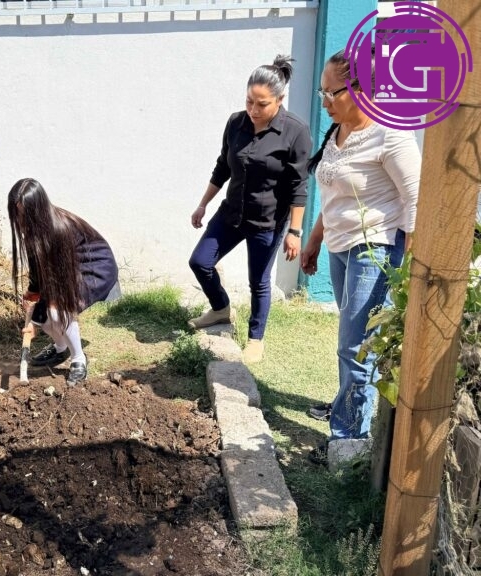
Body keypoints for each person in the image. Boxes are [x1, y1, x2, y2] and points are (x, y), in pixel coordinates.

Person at [300, 50, 421, 462]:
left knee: (356, 345)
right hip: (339, 247)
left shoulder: (391, 135)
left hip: (374, 250)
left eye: (329, 93)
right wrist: (315, 239)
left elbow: (416, 203)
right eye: (321, 93)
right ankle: (349, 411)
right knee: (354, 340)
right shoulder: (338, 133)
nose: (324, 101)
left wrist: (412, 271)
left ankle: (349, 440)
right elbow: (334, 195)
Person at [188, 55, 312, 364]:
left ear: (280, 100)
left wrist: (294, 231)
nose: (254, 110)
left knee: (258, 281)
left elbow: (299, 187)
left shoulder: (296, 132)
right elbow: (223, 166)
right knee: (200, 262)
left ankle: (256, 338)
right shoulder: (236, 122)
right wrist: (203, 204)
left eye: (262, 104)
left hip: (267, 222)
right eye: (249, 102)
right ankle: (220, 309)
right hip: (231, 214)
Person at [8, 178, 119, 386]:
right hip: (67, 271)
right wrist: (32, 294)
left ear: (37, 211)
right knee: (48, 317)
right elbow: (39, 271)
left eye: (24, 216)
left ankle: (78, 359)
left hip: (94, 267)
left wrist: (34, 322)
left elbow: (57, 285)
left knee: (57, 312)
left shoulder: (58, 230)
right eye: (17, 215)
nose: (20, 222)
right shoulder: (34, 231)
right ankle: (60, 349)